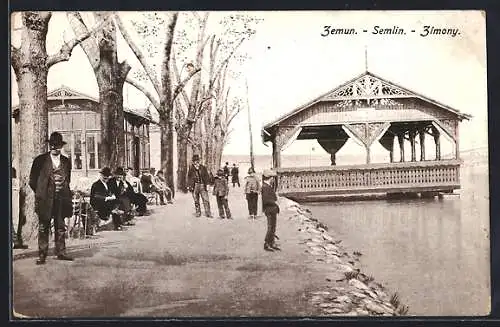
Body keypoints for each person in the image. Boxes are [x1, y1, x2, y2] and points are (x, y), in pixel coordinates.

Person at [29, 132, 74, 264]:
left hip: (61, 199)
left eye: (57, 146)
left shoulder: (66, 161)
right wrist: (41, 193)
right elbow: (33, 181)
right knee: (44, 226)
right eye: (53, 146)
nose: (55, 148)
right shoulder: (40, 160)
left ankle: (61, 252)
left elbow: (68, 180)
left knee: (60, 226)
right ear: (49, 146)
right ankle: (42, 255)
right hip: (45, 199)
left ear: (61, 146)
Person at [261, 169, 281, 252]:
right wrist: (275, 203)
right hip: (269, 209)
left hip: (272, 209)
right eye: (272, 177)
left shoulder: (267, 186)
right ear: (269, 178)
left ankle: (271, 242)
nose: (273, 179)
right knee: (270, 227)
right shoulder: (265, 187)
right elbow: (266, 200)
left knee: (273, 227)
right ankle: (267, 243)